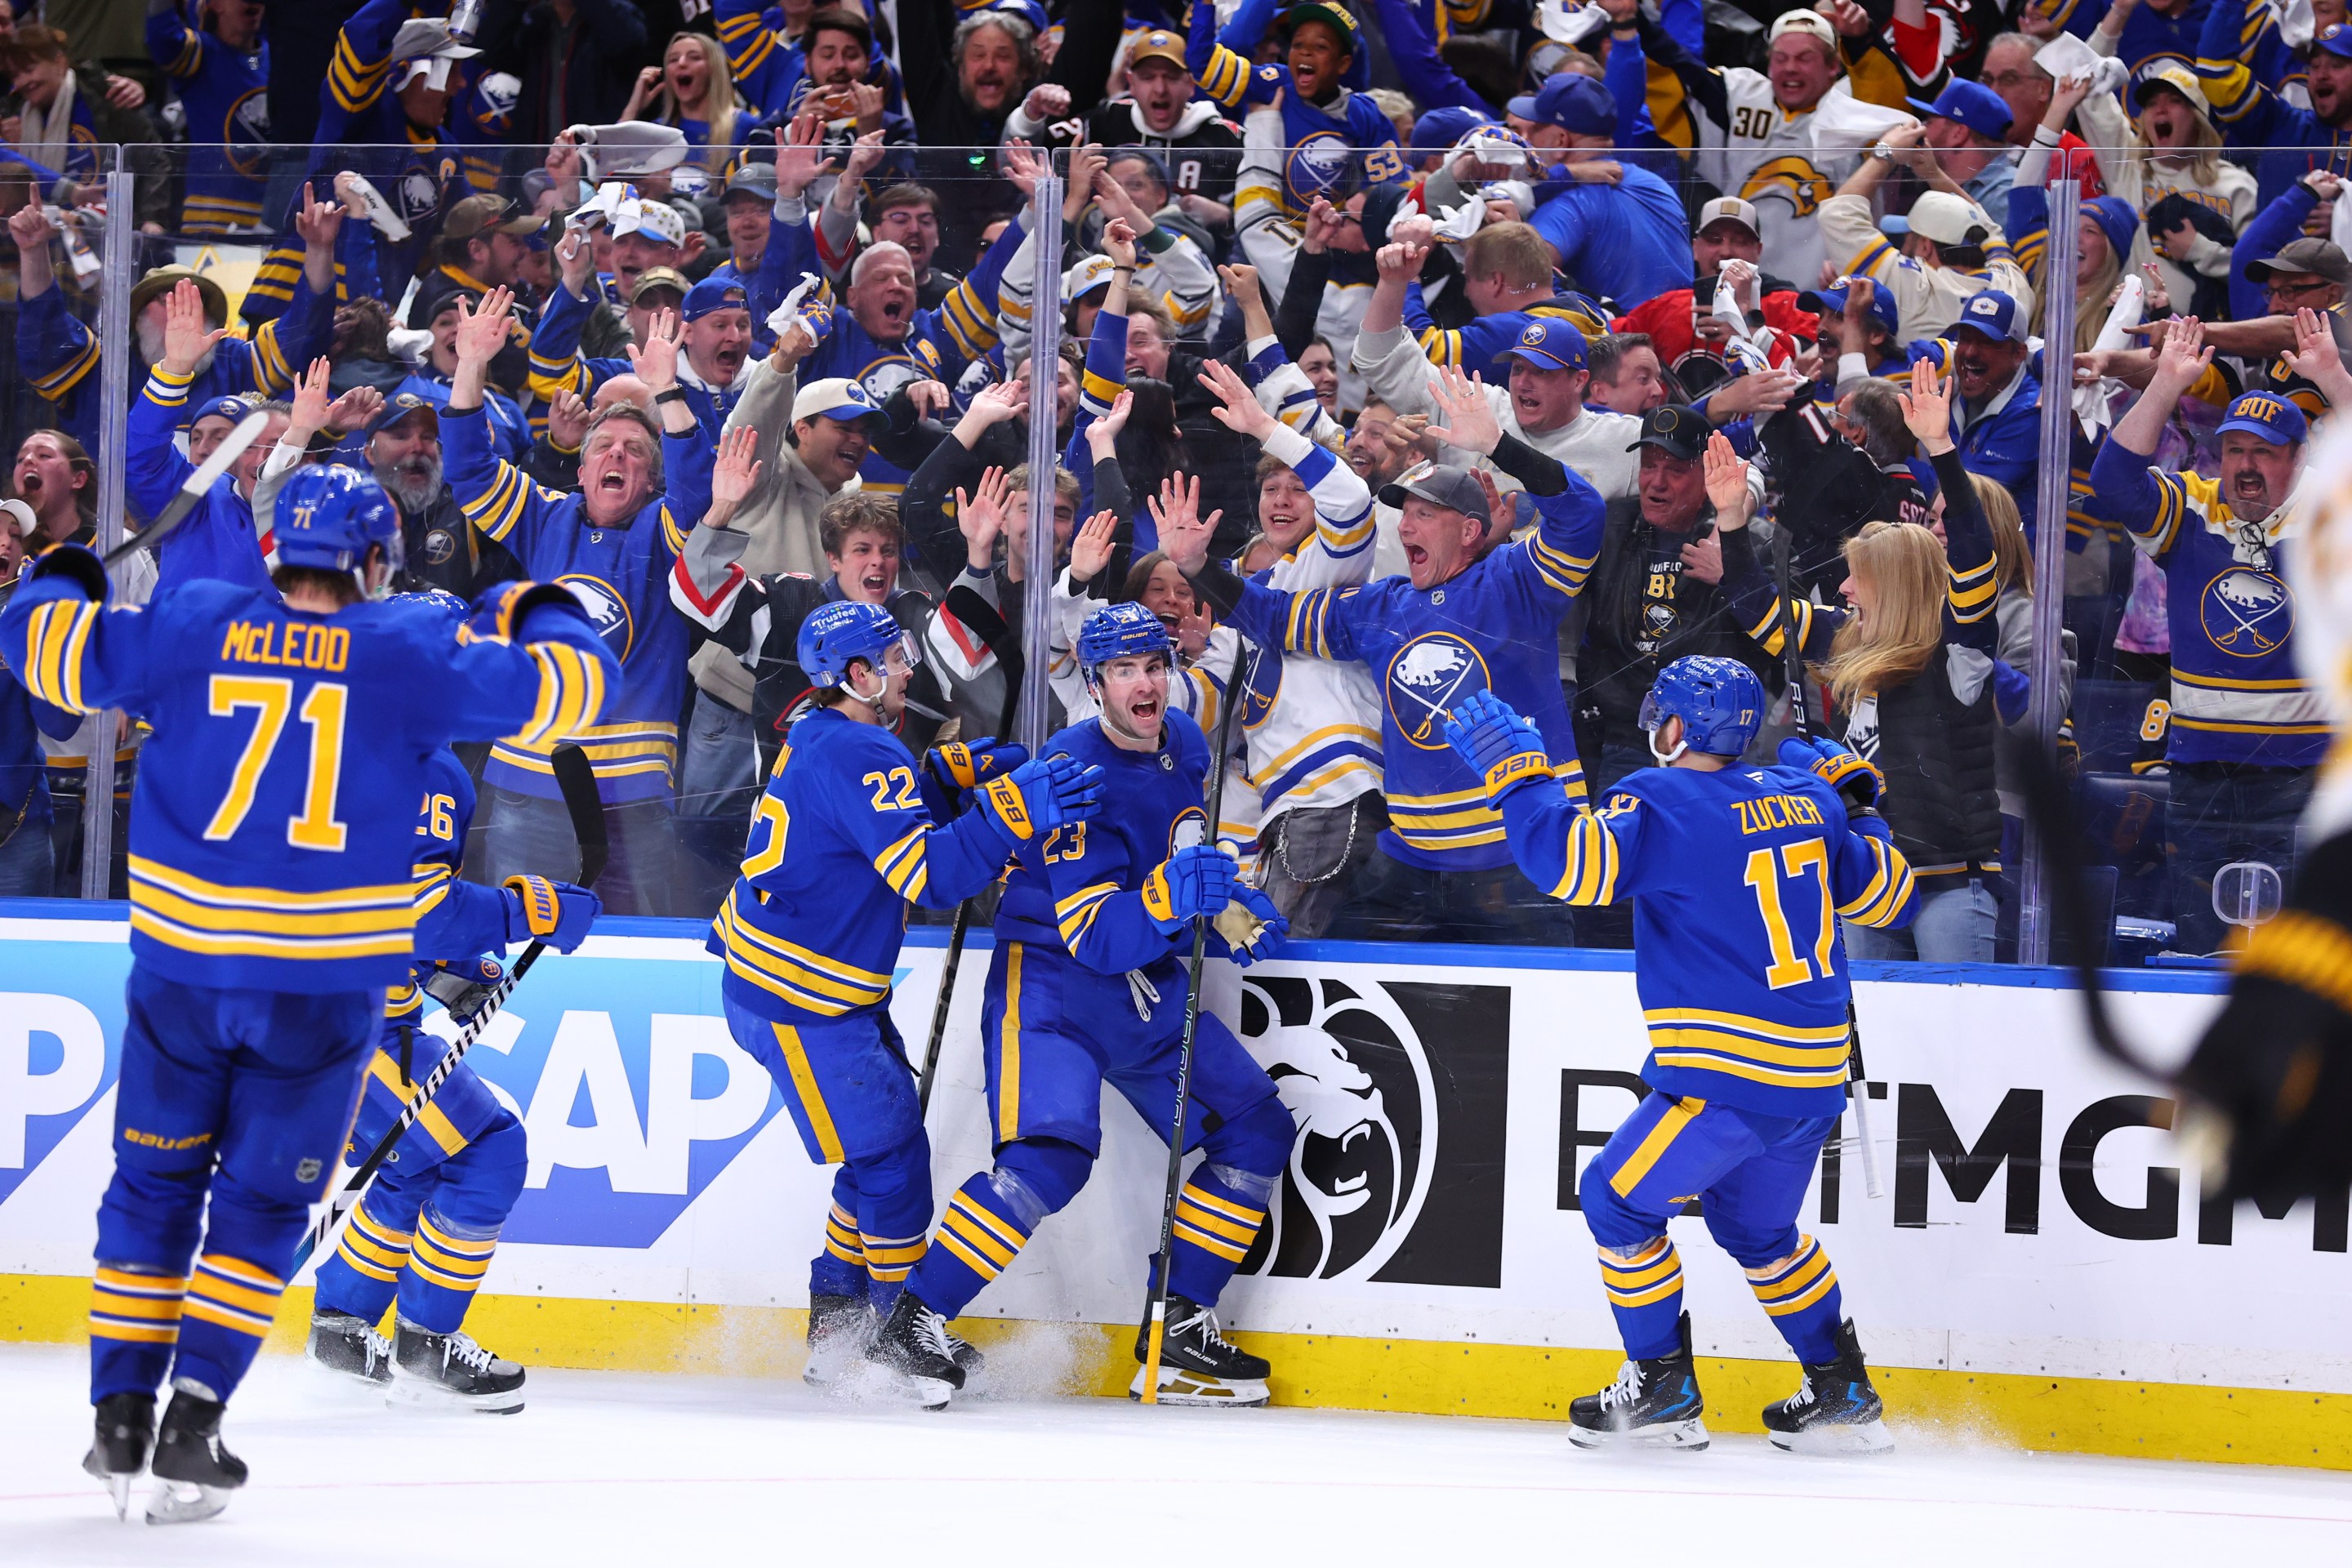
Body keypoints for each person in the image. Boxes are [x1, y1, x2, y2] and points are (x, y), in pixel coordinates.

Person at [0, 466, 613, 1521]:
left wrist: (56, 572)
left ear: (278, 551)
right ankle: (193, 1421)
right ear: (376, 563)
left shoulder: (194, 618)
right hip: (324, 996)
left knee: (150, 1195)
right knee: (259, 1210)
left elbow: (37, 645)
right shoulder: (408, 655)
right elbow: (576, 686)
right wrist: (535, 603)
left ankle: (116, 1417)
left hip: (185, 977)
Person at [1442, 657, 1913, 1451]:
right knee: (1759, 1232)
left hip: (1729, 1080)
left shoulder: (1661, 799)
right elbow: (1889, 895)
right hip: (1810, 1084)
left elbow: (1573, 867)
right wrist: (1859, 804)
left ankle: (1660, 1386)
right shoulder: (1806, 798)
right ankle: (1841, 1389)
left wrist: (1520, 777)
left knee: (1615, 1200)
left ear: (1675, 728)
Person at [875, 603, 1290, 1407]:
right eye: (1126, 670)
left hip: (1145, 985)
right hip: (1055, 987)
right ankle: (912, 1324)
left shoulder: (1187, 743)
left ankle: (1178, 1331)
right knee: (1047, 1160)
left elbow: (1179, 861)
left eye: (1155, 664)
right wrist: (1179, 896)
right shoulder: (1076, 766)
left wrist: (1229, 900)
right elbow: (1095, 934)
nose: (1146, 682)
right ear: (1095, 684)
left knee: (1256, 1126)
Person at [711, 597, 1099, 1394]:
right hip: (799, 1002)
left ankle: (836, 1325)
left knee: (877, 1152)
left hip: (793, 989)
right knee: (894, 1166)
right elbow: (928, 875)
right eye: (893, 658)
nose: (908, 667)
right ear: (856, 675)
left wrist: (941, 780)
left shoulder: (827, 733)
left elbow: (857, 822)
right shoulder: (864, 753)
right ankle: (893, 1333)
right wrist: (1005, 812)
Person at [1161, 365, 1607, 946]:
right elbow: (1270, 618)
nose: (1406, 526)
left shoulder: (1515, 582)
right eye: (1404, 513)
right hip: (1413, 867)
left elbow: (1583, 514)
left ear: (1471, 531)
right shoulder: (1381, 606)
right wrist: (1195, 568)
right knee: (1333, 981)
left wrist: (1500, 444)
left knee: (1544, 1023)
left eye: (1424, 513)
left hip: (1518, 859)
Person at [306, 639, 602, 1410]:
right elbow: (412, 910)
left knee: (418, 1163)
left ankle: (343, 1321)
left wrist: (450, 968)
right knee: (490, 1152)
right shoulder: (419, 766)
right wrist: (520, 912)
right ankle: (427, 1338)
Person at [1720, 366, 2007, 963]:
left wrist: (1941, 449)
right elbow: (1756, 610)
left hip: (1950, 885)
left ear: (1895, 584)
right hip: (1869, 887)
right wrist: (1728, 522)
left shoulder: (1958, 652)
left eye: (1858, 576)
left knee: (1955, 1046)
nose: (1845, 588)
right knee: (1872, 1048)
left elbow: (1976, 554)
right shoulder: (1846, 642)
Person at [446, 287, 715, 917]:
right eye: (603, 447)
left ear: (651, 479)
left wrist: (667, 390)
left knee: (636, 943)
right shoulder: (546, 516)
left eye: (634, 452)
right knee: (517, 938)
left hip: (634, 794)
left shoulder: (666, 532)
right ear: (583, 466)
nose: (616, 455)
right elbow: (469, 471)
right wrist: (469, 366)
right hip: (525, 783)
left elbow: (699, 495)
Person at [2086, 315, 2328, 955]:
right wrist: (2165, 382)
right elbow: (2112, 481)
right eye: (2234, 451)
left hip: (2304, 784)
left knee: (2291, 968)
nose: (2245, 468)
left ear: (2301, 460)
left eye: (2265, 452)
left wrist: (2331, 376)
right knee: (2200, 953)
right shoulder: (2194, 506)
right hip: (2198, 779)